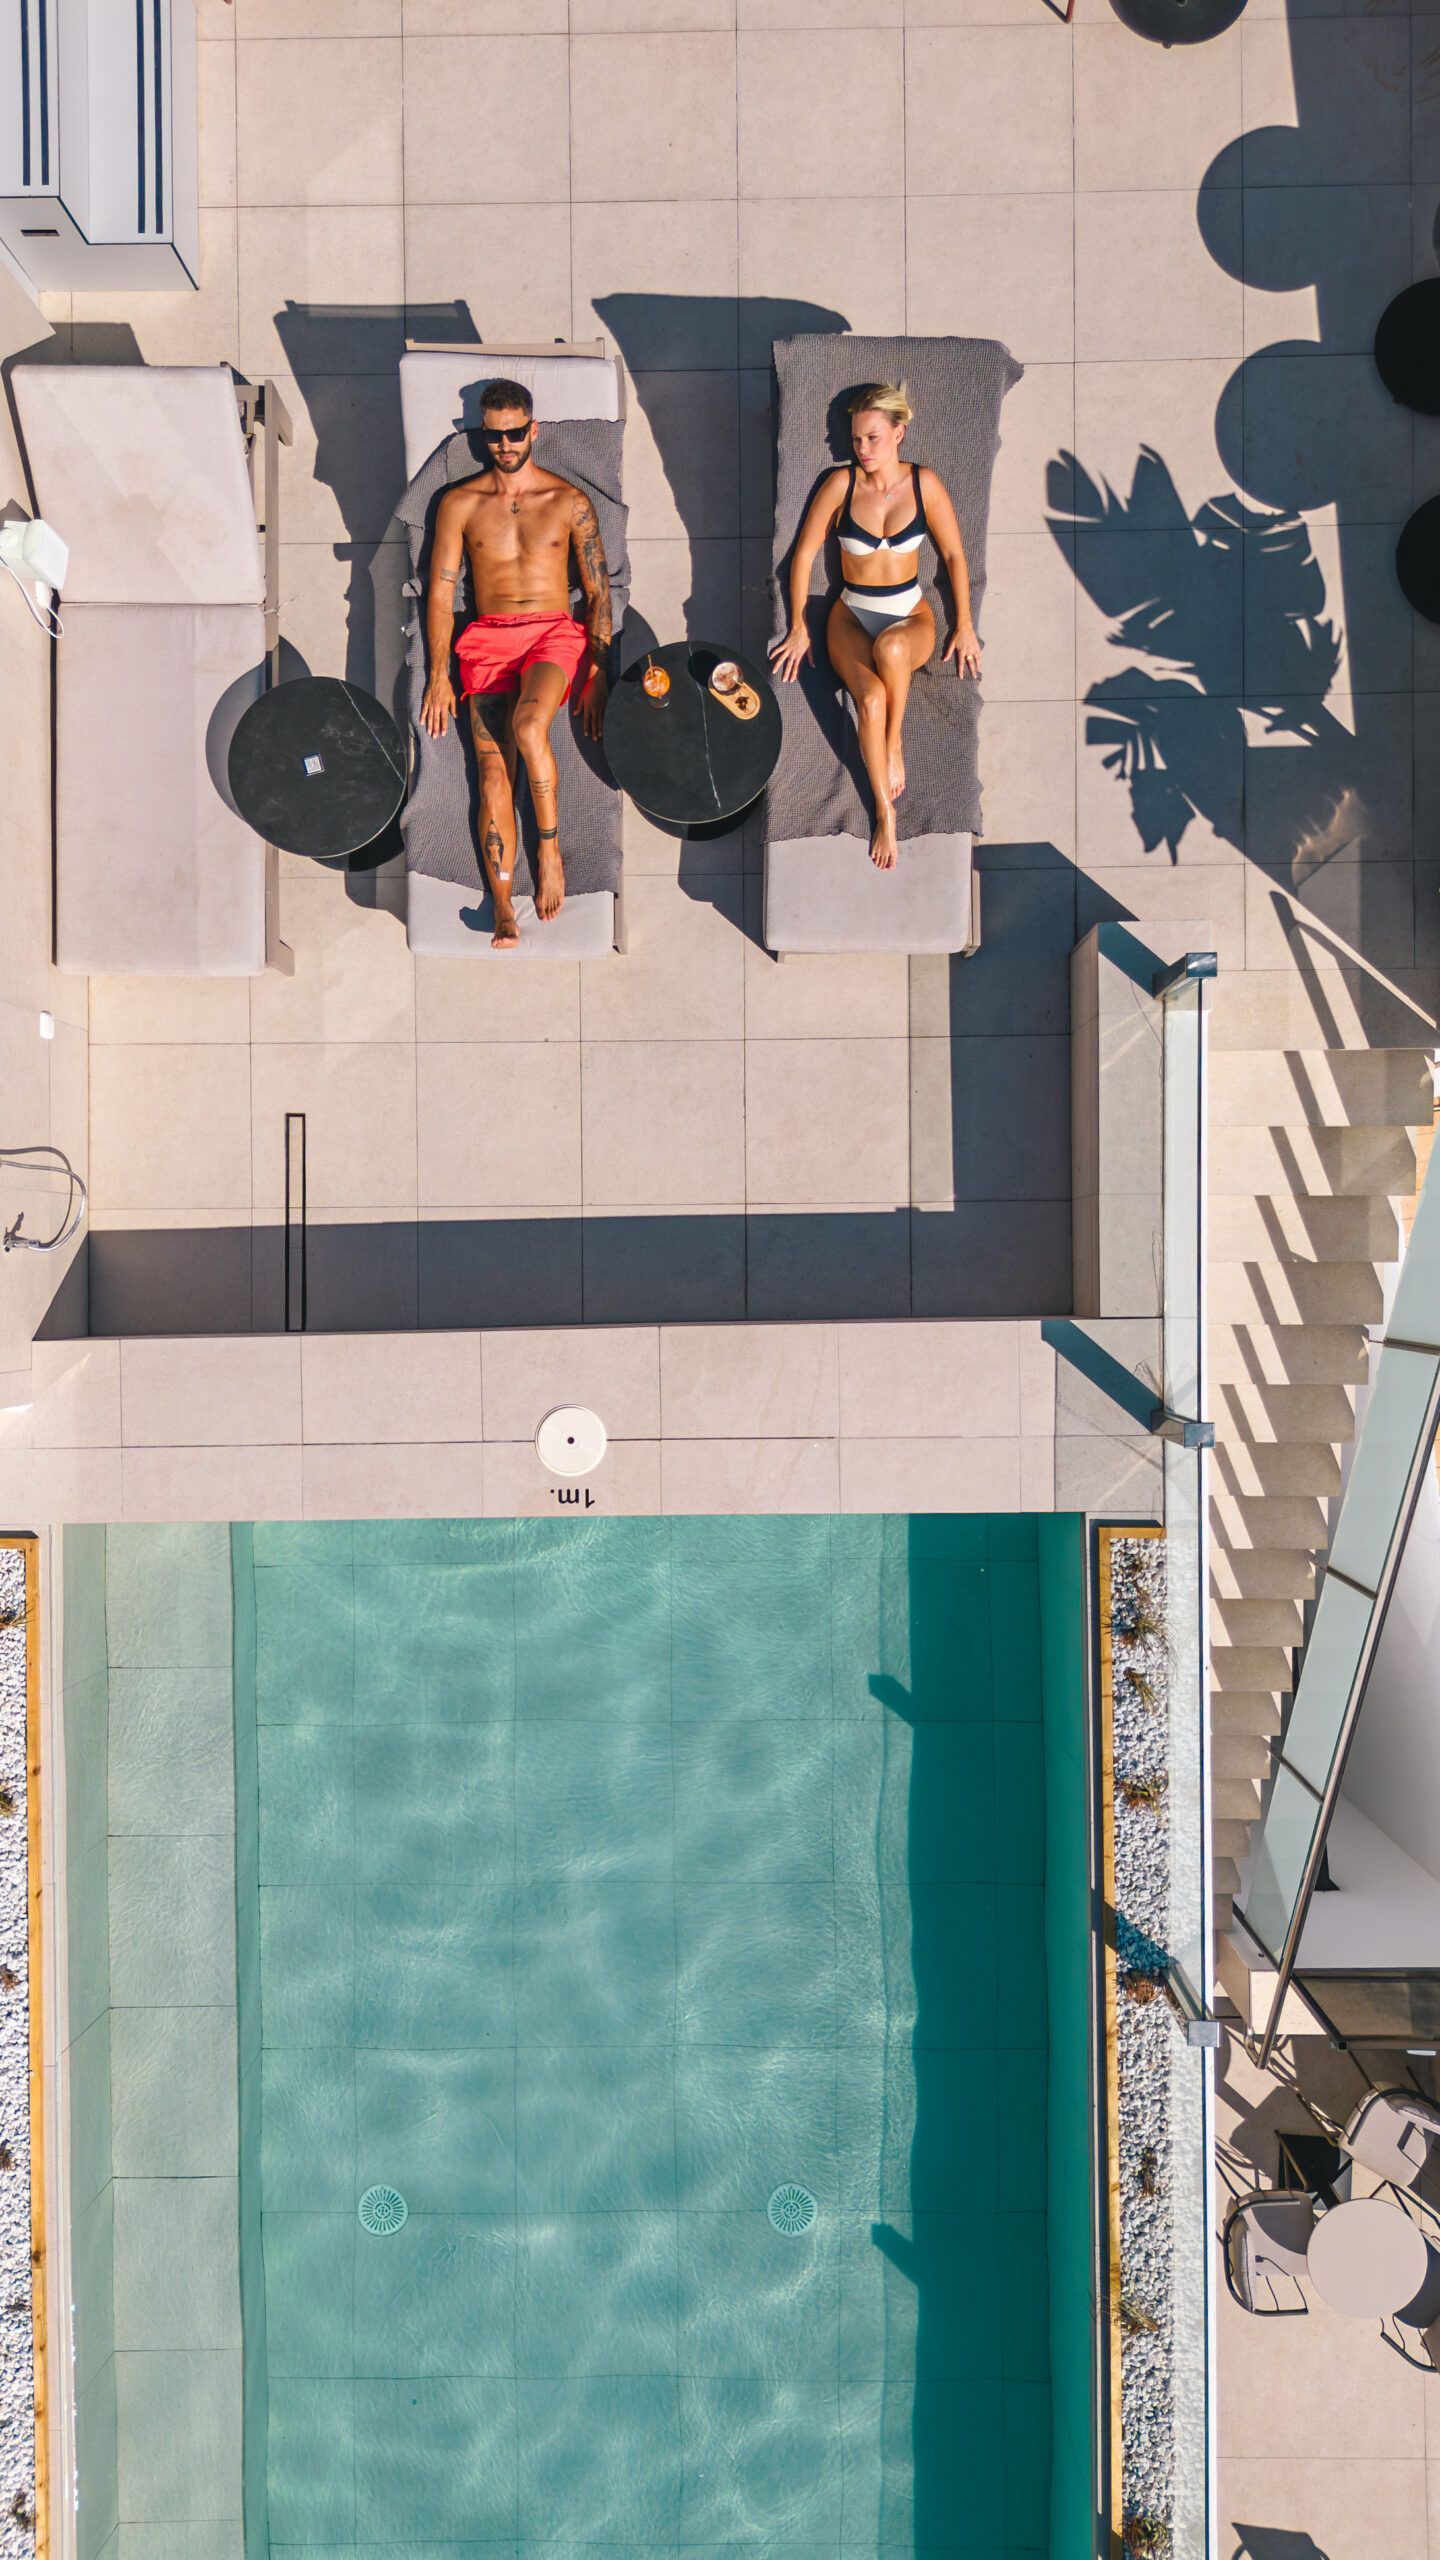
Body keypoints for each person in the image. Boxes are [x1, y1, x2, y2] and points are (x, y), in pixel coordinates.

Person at [420, 379, 611, 948]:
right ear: (483, 434)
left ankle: (549, 849)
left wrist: (596, 672)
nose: (505, 444)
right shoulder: (459, 503)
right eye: (494, 434)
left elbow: (599, 592)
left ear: (534, 429)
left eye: (515, 433)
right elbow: (438, 592)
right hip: (485, 641)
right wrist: (436, 672)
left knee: (528, 727)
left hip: (552, 636)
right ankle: (503, 904)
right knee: (493, 773)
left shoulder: (568, 502)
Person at [769, 383, 982, 871]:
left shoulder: (924, 483)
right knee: (868, 699)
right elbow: (802, 554)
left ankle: (893, 742)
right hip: (850, 616)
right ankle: (885, 814)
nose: (862, 450)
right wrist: (799, 624)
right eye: (856, 439)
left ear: (899, 433)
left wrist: (964, 624)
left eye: (872, 438)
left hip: (910, 615)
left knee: (891, 652)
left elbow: (952, 554)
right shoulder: (840, 485)